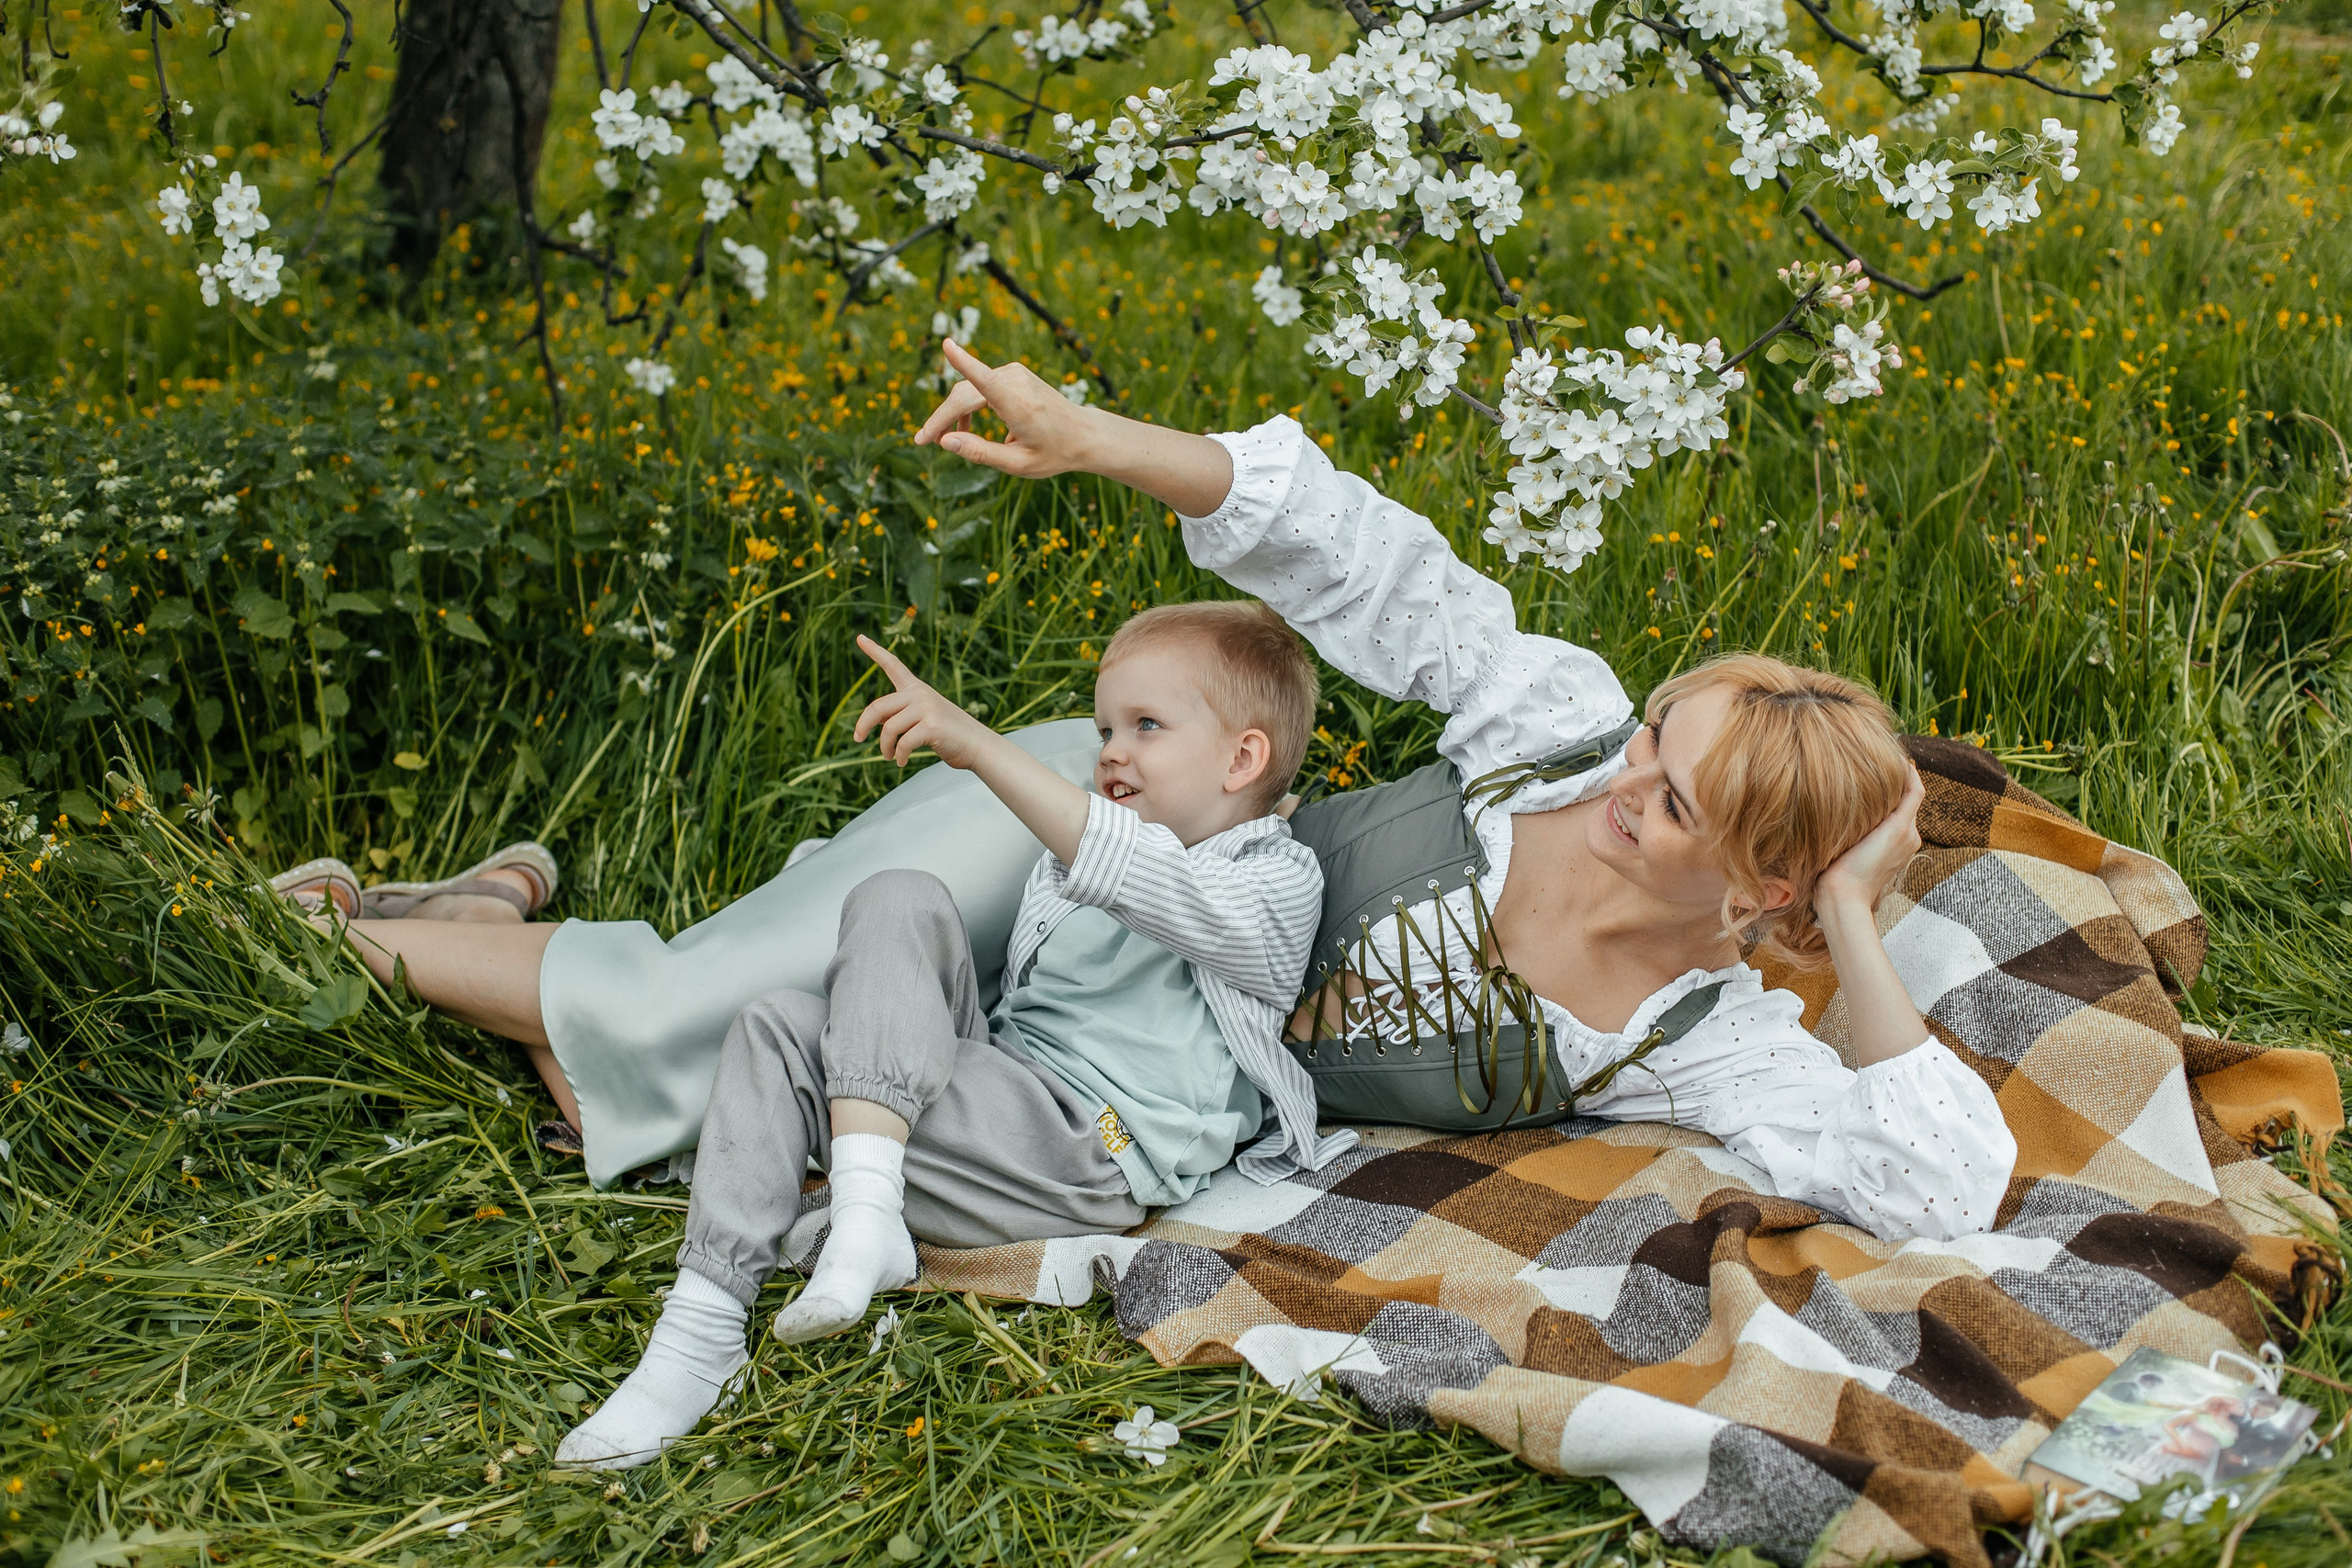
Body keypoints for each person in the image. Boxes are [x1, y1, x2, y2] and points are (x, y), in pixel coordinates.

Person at [286, 339, 2009, 1306]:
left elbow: (1940, 1189)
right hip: (1078, 839)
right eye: (1653, 732)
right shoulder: (1543, 731)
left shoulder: (1697, 1039)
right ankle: (309, 933)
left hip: (1101, 1071)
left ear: (1762, 876)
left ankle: (500, 910)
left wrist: (1854, 919)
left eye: (1674, 800)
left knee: (759, 1066)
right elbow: (1356, 549)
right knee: (683, 1031)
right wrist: (1095, 435)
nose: (1621, 779)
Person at [552, 601, 1326, 1467]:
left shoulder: (1273, 882)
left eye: (1147, 725)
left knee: (839, 1007)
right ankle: (714, 1321)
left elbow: (1137, 875)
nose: (1111, 748)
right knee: (861, 933)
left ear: (1242, 757)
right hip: (1003, 1087)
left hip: (1093, 1142)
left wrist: (979, 745)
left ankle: (840, 1229)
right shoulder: (1084, 858)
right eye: (1107, 724)